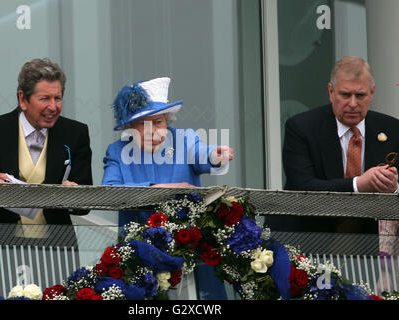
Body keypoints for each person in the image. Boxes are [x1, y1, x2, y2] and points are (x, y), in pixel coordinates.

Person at [0, 58, 93, 295]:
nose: (53, 106)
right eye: (45, 98)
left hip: (56, 249)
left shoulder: (76, 133)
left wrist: (73, 195)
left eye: (58, 98)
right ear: (23, 99)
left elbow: (84, 203)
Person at [102, 77, 234, 299]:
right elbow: (110, 191)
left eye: (159, 122)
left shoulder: (185, 140)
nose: (153, 131)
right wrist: (158, 188)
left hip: (189, 251)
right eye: (144, 124)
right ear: (130, 127)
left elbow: (202, 154)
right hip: (139, 253)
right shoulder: (117, 151)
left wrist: (215, 156)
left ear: (167, 121)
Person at [265, 56, 399, 237]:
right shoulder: (301, 127)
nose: (352, 104)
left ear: (372, 92)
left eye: (360, 95)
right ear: (331, 91)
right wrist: (359, 184)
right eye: (345, 95)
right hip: (310, 237)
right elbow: (304, 186)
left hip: (370, 243)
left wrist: (393, 187)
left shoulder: (392, 129)